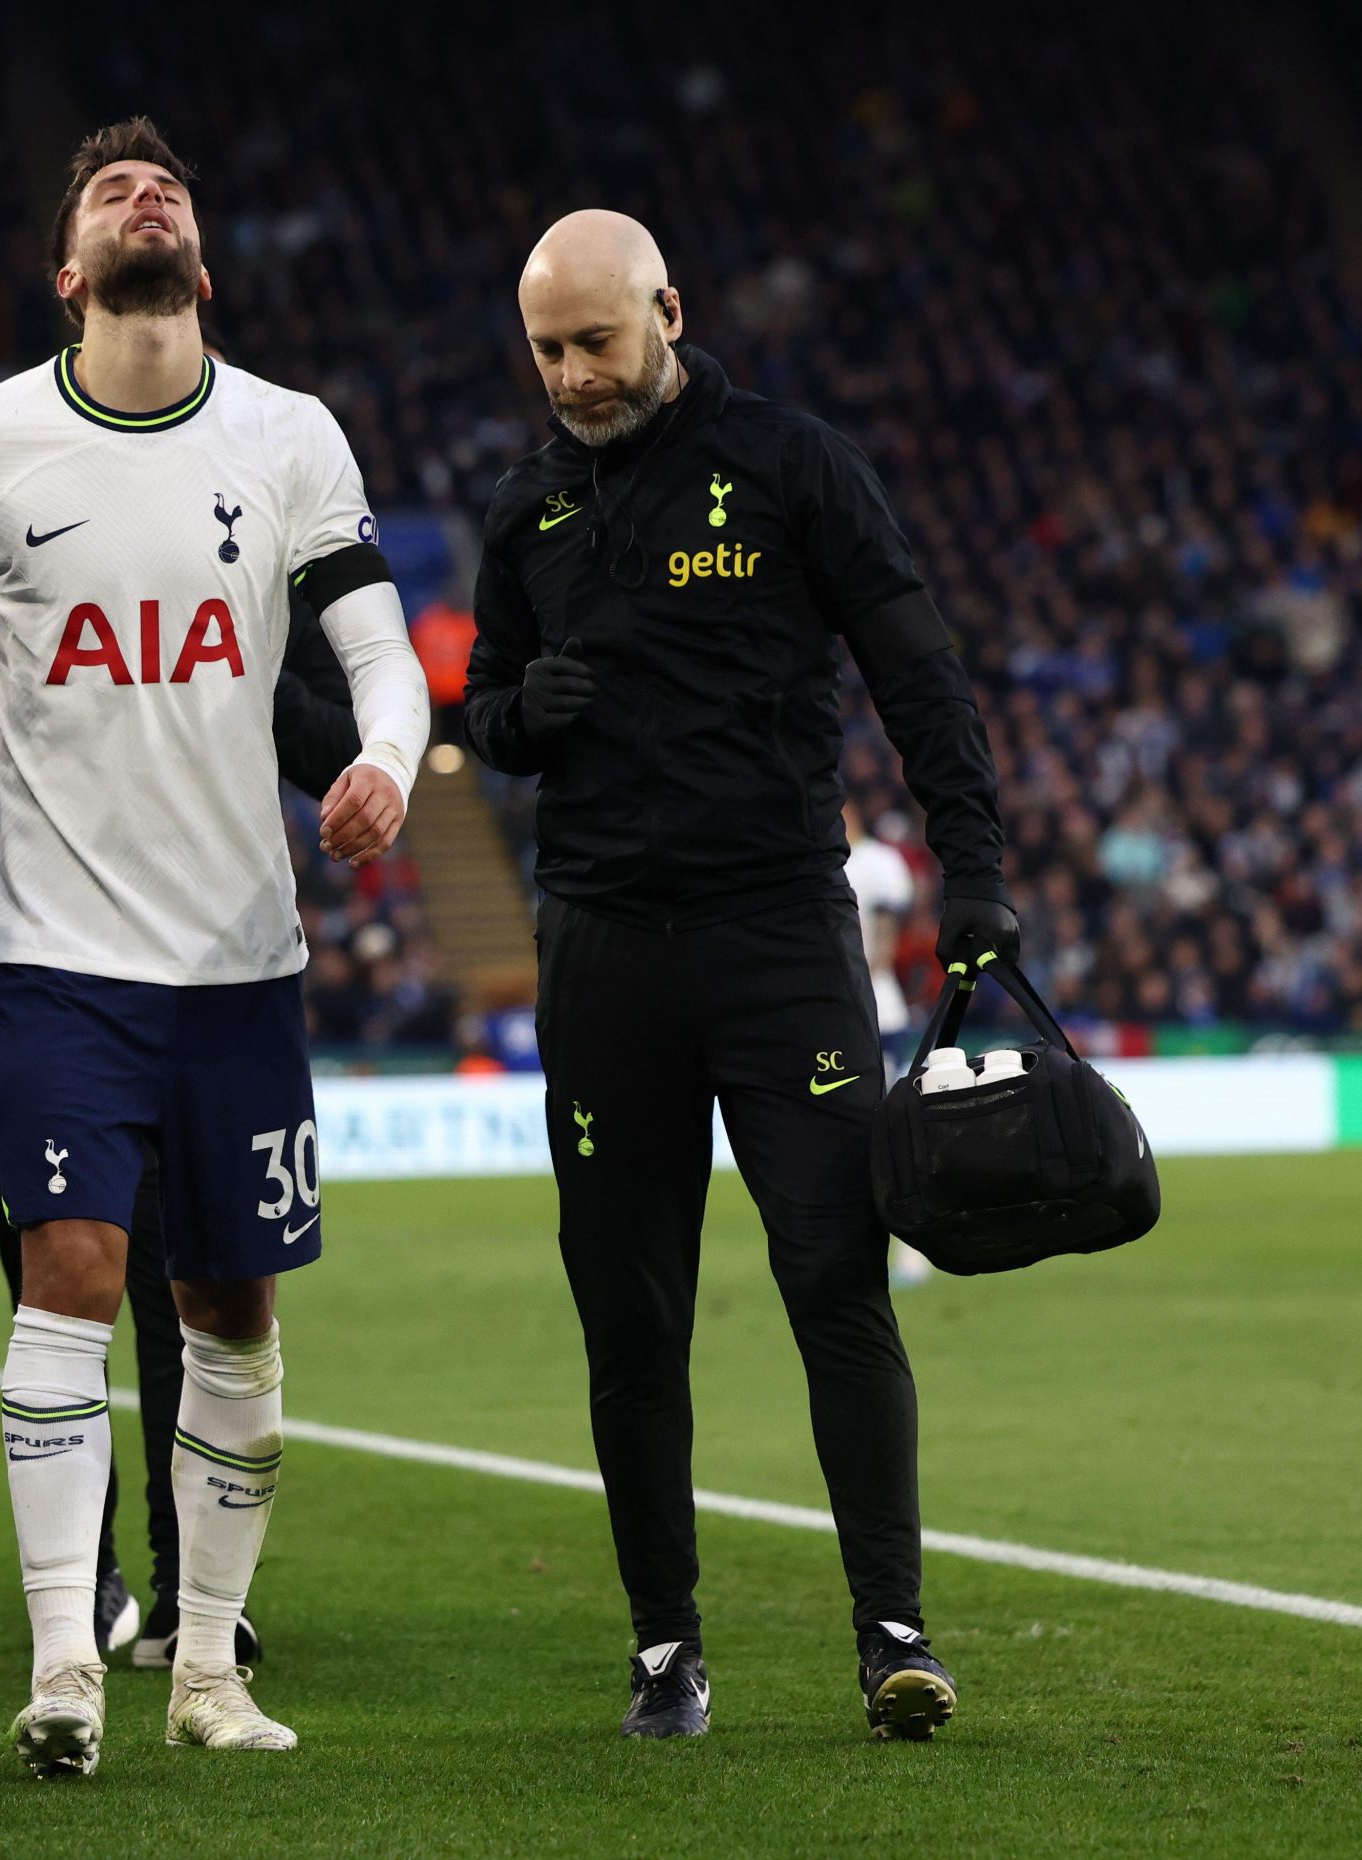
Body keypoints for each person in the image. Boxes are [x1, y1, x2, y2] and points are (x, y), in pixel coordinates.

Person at [0, 119, 429, 1777]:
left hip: (241, 961)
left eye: (168, 190)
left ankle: (208, 1668)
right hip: (52, 954)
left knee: (233, 1322)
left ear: (202, 264)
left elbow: (380, 642)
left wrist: (383, 753)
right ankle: (64, 1657)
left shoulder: (291, 437)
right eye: (110, 194)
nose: (144, 200)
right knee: (70, 1276)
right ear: (70, 271)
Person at [462, 211, 1013, 1742]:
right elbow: (483, 707)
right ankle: (665, 1652)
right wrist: (518, 721)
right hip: (600, 954)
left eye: (597, 341)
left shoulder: (795, 464)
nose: (573, 375)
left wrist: (974, 872)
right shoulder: (523, 507)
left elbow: (920, 670)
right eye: (548, 350)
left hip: (779, 938)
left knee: (835, 1283)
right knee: (628, 1320)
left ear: (669, 311)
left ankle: (894, 1635)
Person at [0, 558, 364, 1671]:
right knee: (69, 1286)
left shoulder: (225, 609)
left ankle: (197, 1603)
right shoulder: (23, 608)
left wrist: (374, 751)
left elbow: (327, 742)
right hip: (53, 998)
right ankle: (81, 1600)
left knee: (196, 1302)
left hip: (213, 1000)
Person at [844, 803, 937, 1288]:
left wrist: (871, 975)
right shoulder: (823, 859)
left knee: (886, 1130)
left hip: (875, 1010)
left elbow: (887, 928)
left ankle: (910, 1249)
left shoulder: (875, 862)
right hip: (839, 1010)